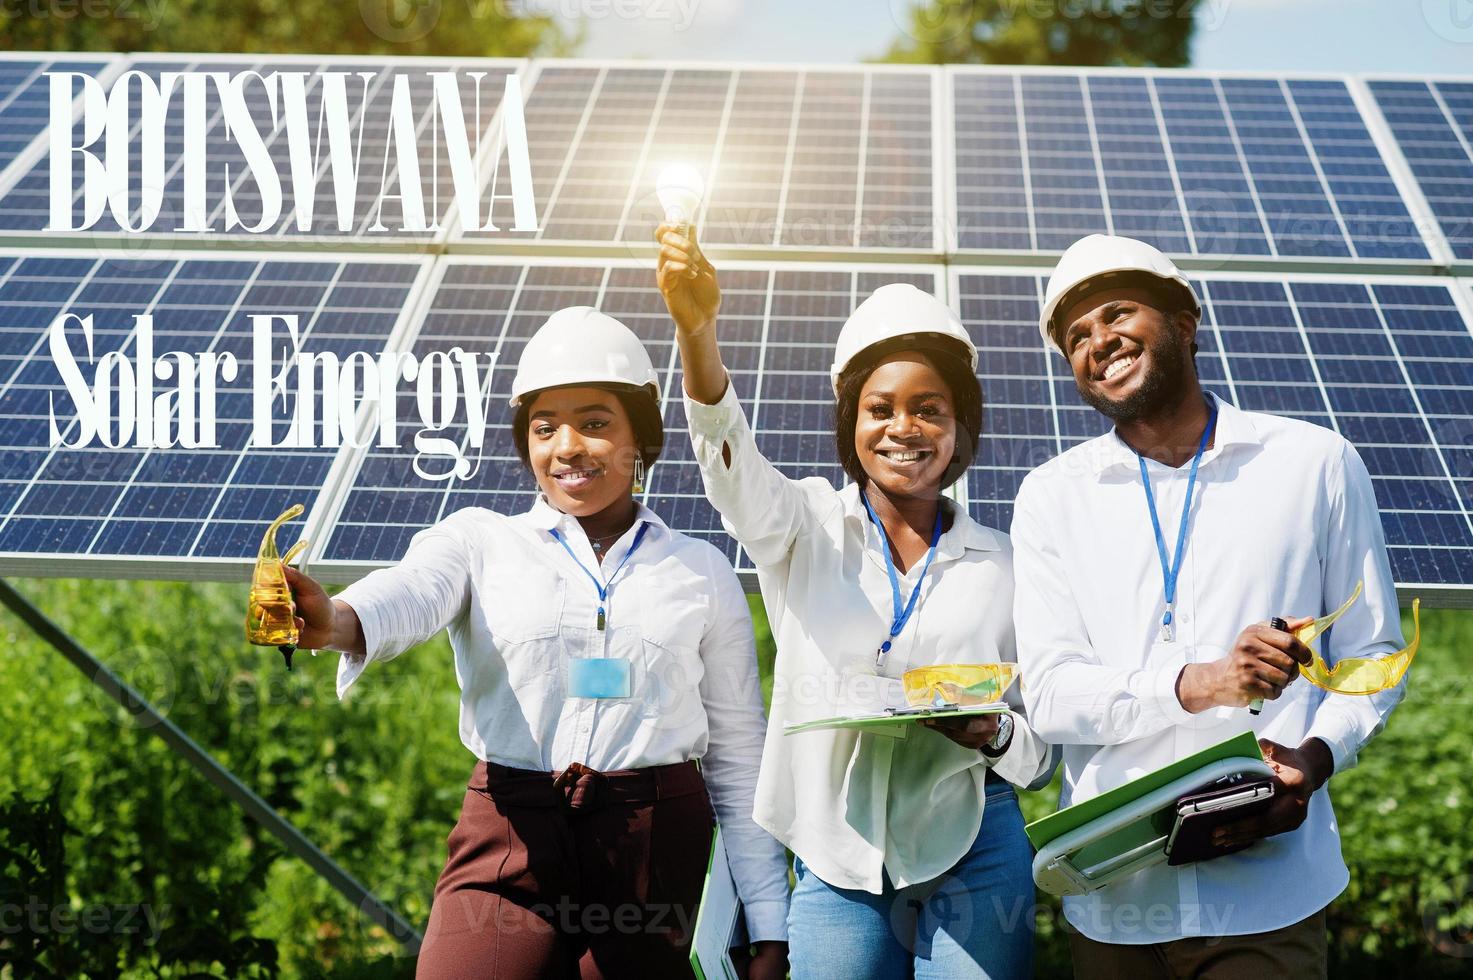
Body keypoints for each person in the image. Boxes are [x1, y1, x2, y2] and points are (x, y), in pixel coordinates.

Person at [281, 307, 790, 979]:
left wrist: (768, 926)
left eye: (596, 423)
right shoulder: (479, 540)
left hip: (653, 849)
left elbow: (737, 754)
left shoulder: (699, 569)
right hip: (510, 832)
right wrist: (337, 618)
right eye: (545, 428)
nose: (567, 446)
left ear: (641, 435)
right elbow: (412, 590)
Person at [656, 223, 1055, 979]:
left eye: (929, 408)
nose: (904, 428)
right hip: (836, 853)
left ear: (959, 426)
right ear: (851, 421)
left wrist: (991, 733)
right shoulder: (802, 526)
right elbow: (729, 466)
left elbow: (1040, 759)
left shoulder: (1004, 563)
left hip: (975, 844)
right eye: (880, 408)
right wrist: (697, 332)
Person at [1012, 234, 1408, 978]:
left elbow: (1374, 656)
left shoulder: (1313, 463)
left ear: (1184, 322)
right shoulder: (1049, 496)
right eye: (1076, 337)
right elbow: (1053, 694)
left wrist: (1313, 761)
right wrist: (1201, 683)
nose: (1099, 341)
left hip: (1266, 891)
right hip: (1116, 896)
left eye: (1118, 313)